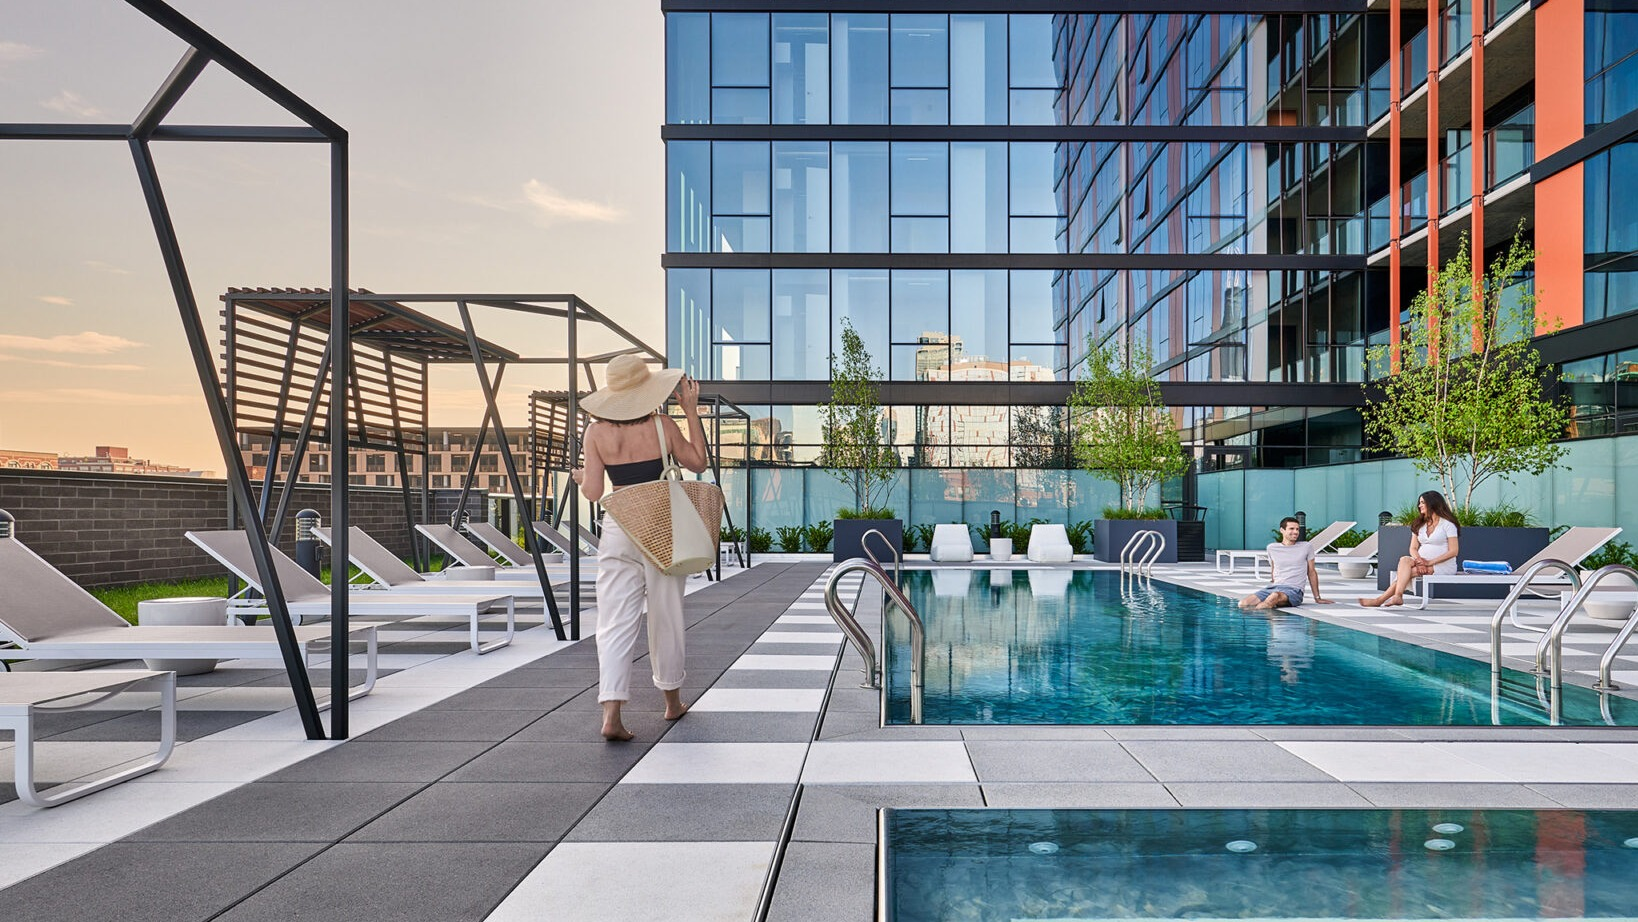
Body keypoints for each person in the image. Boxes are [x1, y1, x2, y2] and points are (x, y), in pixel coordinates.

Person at [571, 355, 709, 741]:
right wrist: (691, 412)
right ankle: (671, 702)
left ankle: (611, 713)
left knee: (614, 621)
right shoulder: (662, 426)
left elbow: (595, 492)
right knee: (666, 615)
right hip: (661, 527)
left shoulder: (595, 433)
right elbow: (698, 462)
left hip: (619, 526)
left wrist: (583, 477)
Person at [1360, 490, 1460, 608]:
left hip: (1442, 565)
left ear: (1433, 503)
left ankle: (1382, 600)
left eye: (1422, 502)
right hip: (1422, 562)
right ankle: (1396, 596)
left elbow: (1454, 551)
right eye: (1419, 503)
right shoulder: (1420, 524)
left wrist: (1429, 563)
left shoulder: (1447, 525)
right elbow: (1413, 548)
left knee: (1408, 573)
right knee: (1404, 560)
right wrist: (1420, 561)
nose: (1419, 505)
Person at [1239, 516, 1332, 610]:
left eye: (1297, 529)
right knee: (1243, 603)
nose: (1295, 532)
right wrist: (1273, 582)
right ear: (1282, 530)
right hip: (1274, 588)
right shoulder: (1272, 548)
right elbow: (1274, 568)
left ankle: (1262, 620)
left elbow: (1311, 572)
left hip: (1294, 590)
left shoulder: (1306, 547)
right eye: (1291, 529)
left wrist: (1317, 598)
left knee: (1273, 597)